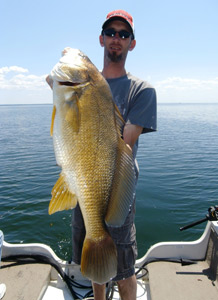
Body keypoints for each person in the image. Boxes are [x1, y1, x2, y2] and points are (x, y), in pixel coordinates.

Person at [46, 9, 157, 300]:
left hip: (115, 187)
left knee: (123, 269)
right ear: (101, 39)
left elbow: (127, 145)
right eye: (111, 33)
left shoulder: (142, 91)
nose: (116, 39)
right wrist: (62, 84)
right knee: (92, 262)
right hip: (81, 180)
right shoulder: (78, 86)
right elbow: (55, 85)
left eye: (123, 34)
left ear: (132, 43)